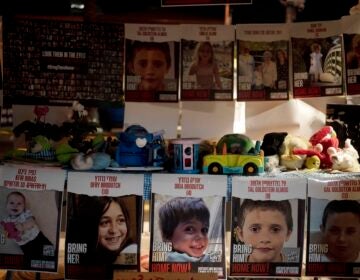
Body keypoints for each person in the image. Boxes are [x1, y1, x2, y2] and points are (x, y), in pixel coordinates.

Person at [70, 195, 137, 265]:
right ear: (90, 226)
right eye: (105, 222)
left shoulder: (131, 251)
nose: (114, 230)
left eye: (121, 220)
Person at [1, 191, 54, 267]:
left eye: (19, 203)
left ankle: (52, 261)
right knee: (31, 258)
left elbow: (32, 221)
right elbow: (5, 232)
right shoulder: (6, 221)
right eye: (11, 203)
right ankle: (38, 265)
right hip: (24, 243)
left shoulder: (25, 213)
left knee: (49, 249)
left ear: (24, 207)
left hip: (37, 236)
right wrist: (7, 234)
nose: (15, 206)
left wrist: (23, 226)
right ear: (6, 206)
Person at [158, 197, 210, 262]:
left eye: (204, 230)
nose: (201, 236)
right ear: (168, 237)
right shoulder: (174, 259)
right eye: (189, 229)